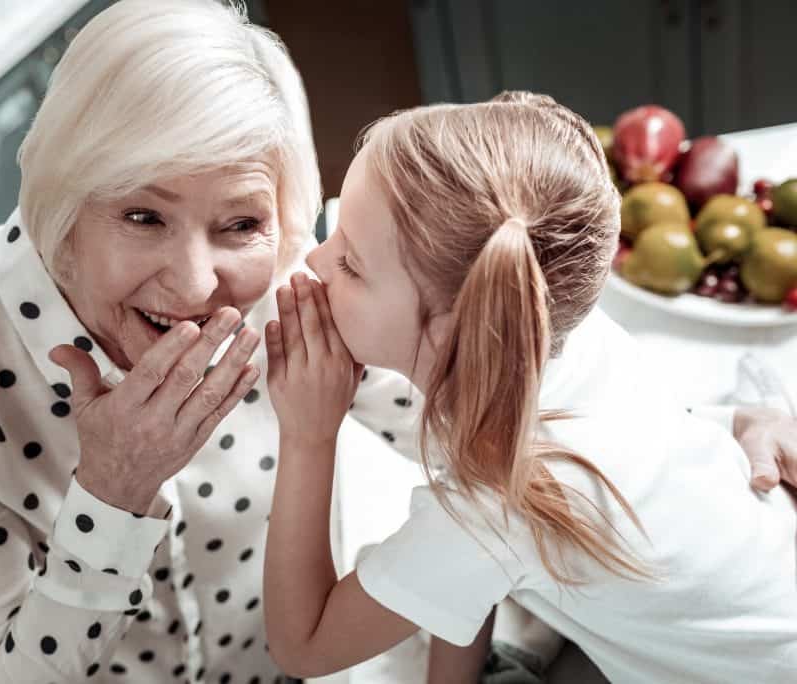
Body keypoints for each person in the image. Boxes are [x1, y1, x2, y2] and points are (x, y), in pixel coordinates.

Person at [0, 2, 790, 681]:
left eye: (244, 225)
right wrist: (111, 496)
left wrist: (728, 423)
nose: (198, 284)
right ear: (58, 193)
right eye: (141, 214)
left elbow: (496, 390)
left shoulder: (306, 278)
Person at [262, 93, 797, 684]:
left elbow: (304, 646)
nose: (314, 259)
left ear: (455, 331)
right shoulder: (557, 335)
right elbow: (471, 576)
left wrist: (309, 435)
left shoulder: (502, 499)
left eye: (352, 265)